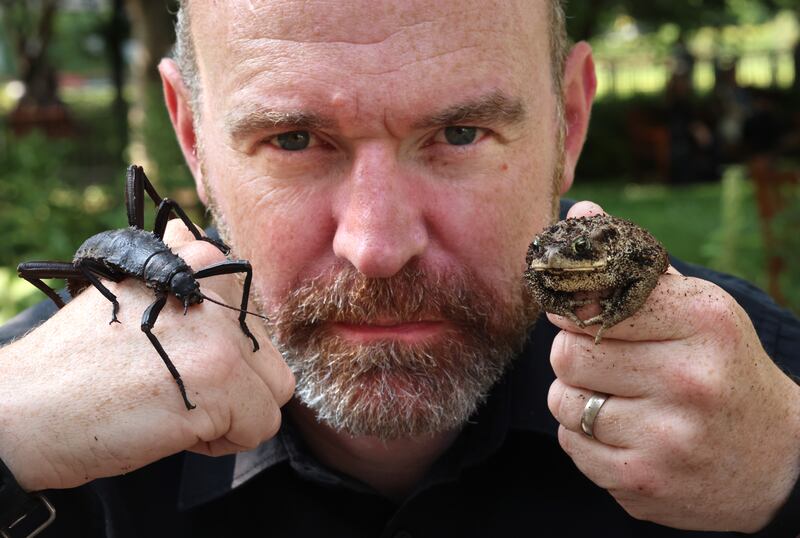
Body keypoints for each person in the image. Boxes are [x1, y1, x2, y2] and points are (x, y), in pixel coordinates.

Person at [0, 1, 799, 536]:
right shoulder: (33, 424)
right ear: (193, 139)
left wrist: (787, 481)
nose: (377, 246)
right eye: (292, 140)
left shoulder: (757, 386)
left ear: (569, 122)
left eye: (459, 134)